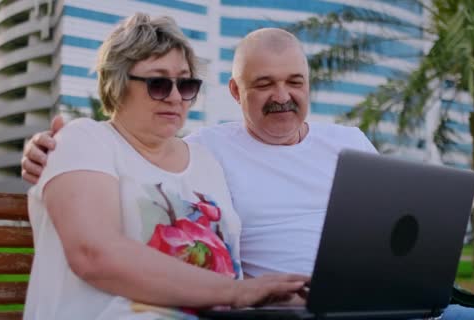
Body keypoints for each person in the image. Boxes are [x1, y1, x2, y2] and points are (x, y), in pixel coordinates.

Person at [22, 27, 474, 319]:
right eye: (263, 84)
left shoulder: (348, 140)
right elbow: (134, 156)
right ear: (237, 93)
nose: (282, 95)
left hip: (396, 305)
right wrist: (47, 152)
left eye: (294, 81)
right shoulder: (204, 151)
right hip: (293, 310)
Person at [22, 15, 309, 320]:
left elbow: (226, 278)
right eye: (158, 83)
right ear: (116, 83)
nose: (175, 97)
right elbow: (94, 255)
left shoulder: (205, 162)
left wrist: (278, 295)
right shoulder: (84, 140)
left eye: (185, 84)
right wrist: (239, 294)